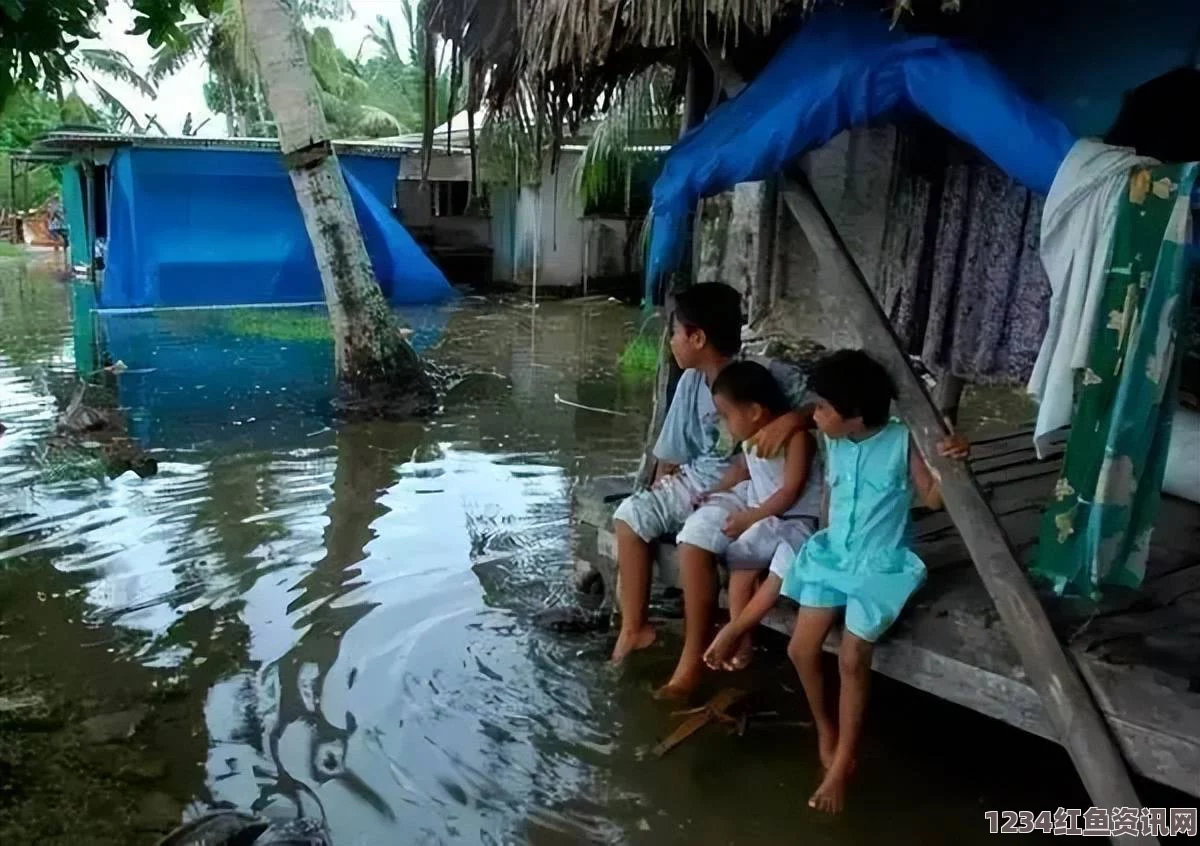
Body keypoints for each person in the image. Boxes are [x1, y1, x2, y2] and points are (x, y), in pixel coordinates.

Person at [704, 349, 969, 814]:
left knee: (852, 656)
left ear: (854, 415)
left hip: (879, 562)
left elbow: (930, 498)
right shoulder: (836, 439)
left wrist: (953, 461)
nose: (814, 413)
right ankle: (825, 728)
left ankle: (845, 757)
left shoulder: (901, 441)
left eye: (823, 408)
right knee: (799, 648)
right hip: (832, 554)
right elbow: (828, 490)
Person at [610, 284, 804, 671]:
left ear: (697, 337)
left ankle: (692, 657)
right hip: (696, 481)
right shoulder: (690, 383)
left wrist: (792, 420)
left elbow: (823, 407)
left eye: (675, 333)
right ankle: (634, 629)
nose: (671, 341)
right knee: (630, 517)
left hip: (744, 488)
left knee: (693, 540)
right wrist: (659, 499)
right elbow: (670, 454)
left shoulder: (764, 376)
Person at [656, 360, 822, 697]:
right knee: (739, 569)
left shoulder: (796, 439)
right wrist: (713, 492)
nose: (724, 423)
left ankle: (734, 629)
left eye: (727, 415)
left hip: (798, 523)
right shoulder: (750, 441)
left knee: (779, 573)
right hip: (768, 520)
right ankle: (745, 641)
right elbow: (742, 474)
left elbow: (790, 492)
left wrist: (751, 516)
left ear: (756, 411)